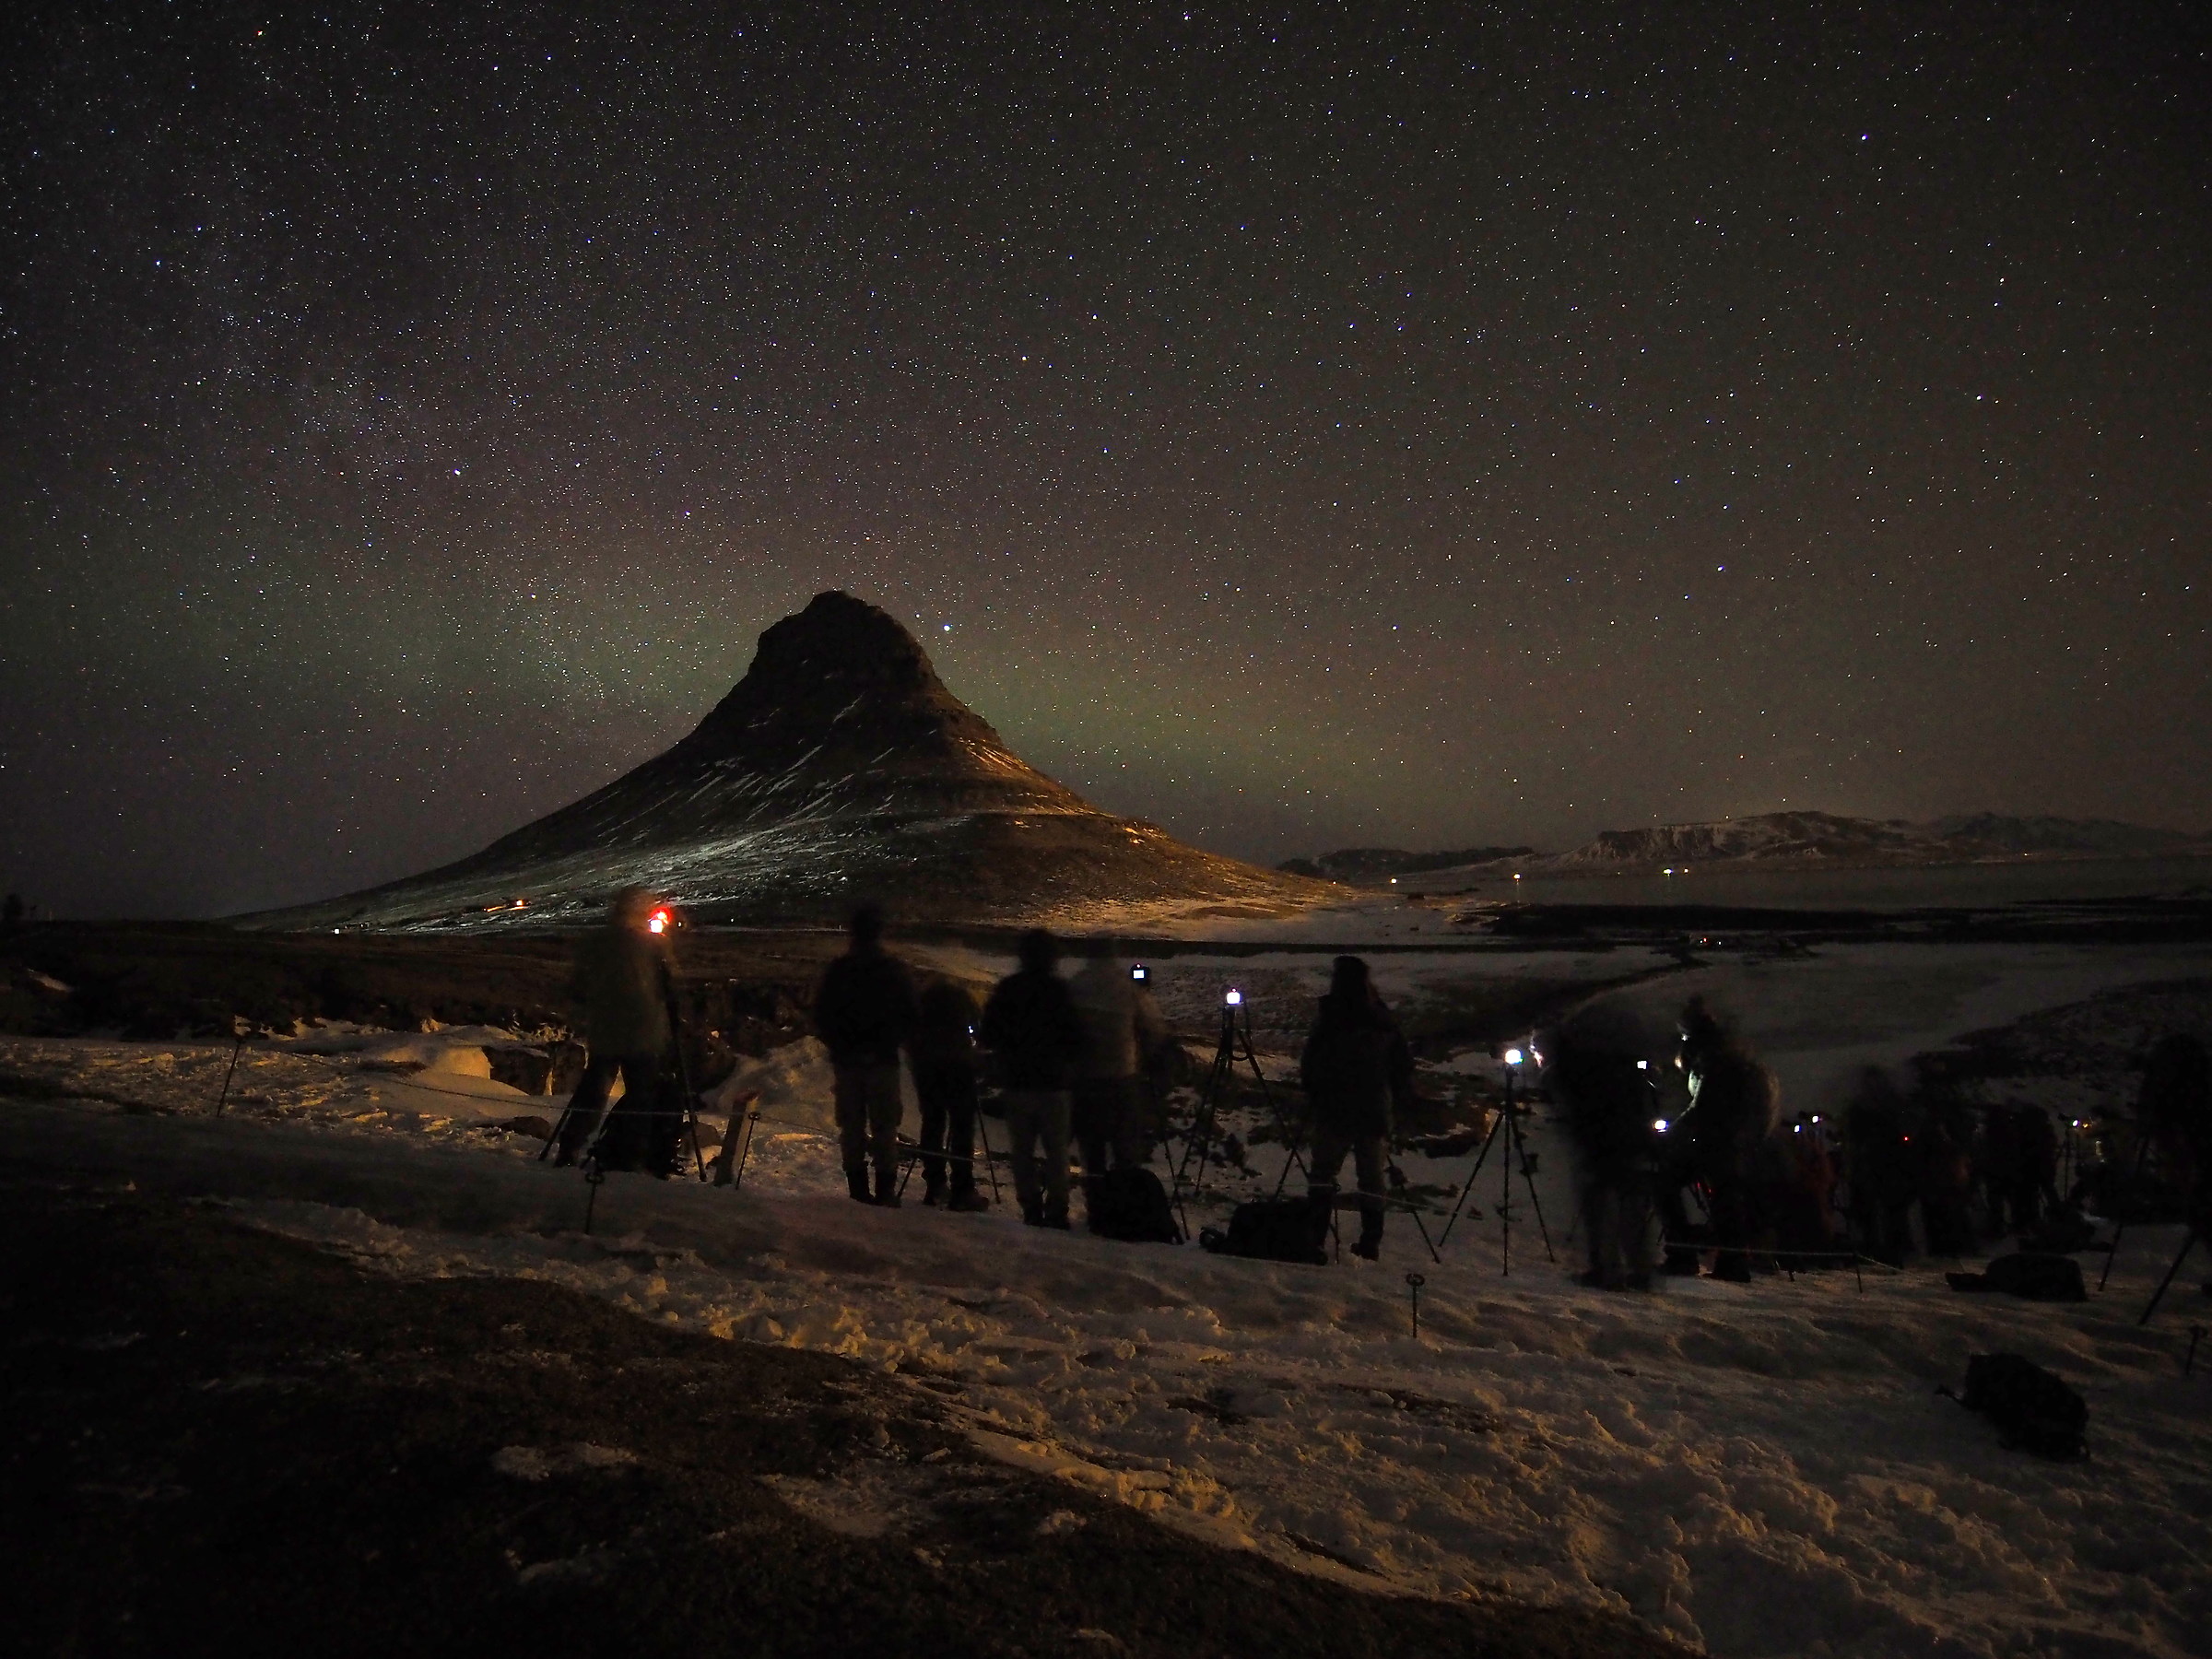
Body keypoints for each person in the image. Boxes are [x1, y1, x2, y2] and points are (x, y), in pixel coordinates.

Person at [556, 886, 681, 1174]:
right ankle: (633, 1156)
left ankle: (570, 1146)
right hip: (644, 1032)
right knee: (641, 1096)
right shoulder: (653, 946)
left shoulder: (595, 942)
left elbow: (576, 987)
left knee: (593, 1092)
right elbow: (671, 985)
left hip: (605, 1031)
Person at [1299, 956, 1414, 1261]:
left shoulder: (1331, 1018)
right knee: (1371, 1177)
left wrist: (1314, 1093)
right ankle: (1370, 1241)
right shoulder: (1381, 1019)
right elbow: (1402, 1066)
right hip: (1372, 1110)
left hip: (1334, 1109)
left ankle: (1316, 1237)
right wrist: (1395, 1098)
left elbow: (1311, 1062)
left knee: (1323, 1173)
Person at [1542, 1003, 1663, 1289]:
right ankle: (1639, 1269)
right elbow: (1644, 1099)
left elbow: (1567, 1101)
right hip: (1629, 1140)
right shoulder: (1621, 1061)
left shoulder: (1572, 1066)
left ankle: (1606, 1269)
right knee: (1631, 1207)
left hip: (1598, 1143)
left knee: (1600, 1208)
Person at [980, 929, 1087, 1228]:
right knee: (1056, 1153)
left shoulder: (1009, 989)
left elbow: (988, 1033)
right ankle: (1057, 1209)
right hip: (1053, 1084)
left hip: (1018, 1083)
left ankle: (1030, 1206)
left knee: (1022, 1152)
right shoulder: (1059, 991)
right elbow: (1076, 1038)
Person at [813, 903, 918, 1206]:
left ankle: (858, 1190)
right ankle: (885, 1191)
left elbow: (822, 1014)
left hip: (848, 1063)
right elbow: (910, 1014)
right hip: (883, 1061)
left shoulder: (839, 971)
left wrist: (840, 1046)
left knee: (852, 1127)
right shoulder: (893, 971)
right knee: (885, 1127)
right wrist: (889, 1042)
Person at [1674, 996, 1781, 1282]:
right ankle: (1726, 1261)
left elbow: (1703, 1105)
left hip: (1724, 1142)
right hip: (1739, 1142)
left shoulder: (1715, 1058)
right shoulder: (1732, 1053)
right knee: (1726, 1198)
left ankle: (1691, 1257)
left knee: (1715, 1195)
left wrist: (1674, 1131)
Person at [1066, 944, 1171, 1210]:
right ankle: (1126, 1204)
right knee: (1125, 1145)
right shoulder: (1127, 988)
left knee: (1092, 1147)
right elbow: (1154, 1027)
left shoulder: (1077, 985)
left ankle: (1097, 1204)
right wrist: (1145, 1057)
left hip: (1087, 1082)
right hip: (1122, 1079)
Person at [910, 976, 989, 1211]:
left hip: (928, 1070)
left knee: (932, 1125)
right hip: (959, 1069)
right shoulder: (963, 998)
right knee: (962, 1129)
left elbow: (910, 1033)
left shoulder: (922, 1001)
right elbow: (977, 1029)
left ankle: (935, 1184)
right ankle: (962, 1189)